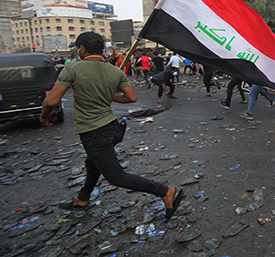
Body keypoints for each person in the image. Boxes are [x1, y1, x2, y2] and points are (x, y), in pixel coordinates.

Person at [39, 32, 182, 221]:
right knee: (92, 164)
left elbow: (52, 101)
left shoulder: (72, 69)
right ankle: (82, 199)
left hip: (93, 131)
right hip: (111, 127)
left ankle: (165, 191)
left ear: (82, 49)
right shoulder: (115, 71)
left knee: (116, 176)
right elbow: (131, 98)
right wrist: (111, 97)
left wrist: (43, 117)